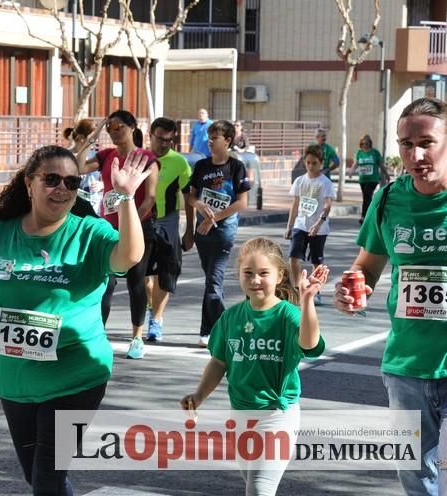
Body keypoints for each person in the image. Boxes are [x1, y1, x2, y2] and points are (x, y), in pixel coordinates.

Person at [0, 145, 151, 496]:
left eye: (72, 181)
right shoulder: (0, 234)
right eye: (51, 179)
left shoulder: (90, 233)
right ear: (29, 183)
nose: (62, 188)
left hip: (74, 378)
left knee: (46, 477)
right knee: (40, 476)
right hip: (14, 379)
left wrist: (125, 198)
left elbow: (129, 256)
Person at [334, 97, 447, 496]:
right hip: (406, 366)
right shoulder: (387, 200)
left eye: (426, 142)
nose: (415, 154)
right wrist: (352, 289)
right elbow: (366, 268)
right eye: (404, 143)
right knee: (415, 477)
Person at [181, 237, 328, 496]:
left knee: (260, 489)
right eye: (248, 273)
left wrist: (307, 302)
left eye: (263, 273)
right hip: (240, 415)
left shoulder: (288, 314)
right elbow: (218, 362)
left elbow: (310, 345)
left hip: (276, 416)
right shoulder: (231, 317)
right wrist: (198, 396)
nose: (255, 280)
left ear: (280, 275)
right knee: (254, 483)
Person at [77, 110, 159, 359]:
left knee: (136, 282)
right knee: (106, 284)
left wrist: (132, 223)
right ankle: (97, 333)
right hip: (108, 228)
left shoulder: (147, 158)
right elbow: (78, 167)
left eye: (118, 127)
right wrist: (92, 137)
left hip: (137, 228)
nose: (113, 132)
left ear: (133, 127)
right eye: (109, 127)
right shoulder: (105, 156)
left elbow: (151, 197)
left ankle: (136, 337)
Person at [188, 119, 251, 348]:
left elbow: (242, 202)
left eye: (215, 138)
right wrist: (199, 207)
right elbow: (191, 195)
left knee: (214, 282)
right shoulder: (202, 166)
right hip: (202, 231)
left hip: (223, 230)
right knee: (211, 283)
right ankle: (211, 329)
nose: (210, 141)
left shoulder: (236, 167)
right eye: (209, 137)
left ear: (227, 140)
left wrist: (215, 218)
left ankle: (221, 331)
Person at [142, 117, 192, 342]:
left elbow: (189, 197)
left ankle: (157, 320)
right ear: (150, 135)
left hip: (168, 220)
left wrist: (189, 230)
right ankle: (151, 306)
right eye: (160, 139)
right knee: (141, 274)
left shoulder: (180, 163)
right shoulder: (139, 158)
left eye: (169, 141)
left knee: (166, 272)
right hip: (141, 218)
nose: (164, 144)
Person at [284, 144, 335, 305]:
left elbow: (327, 205)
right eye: (308, 162)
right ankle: (300, 288)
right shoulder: (300, 181)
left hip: (318, 229)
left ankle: (315, 290)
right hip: (301, 224)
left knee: (316, 261)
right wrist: (289, 226)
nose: (311, 166)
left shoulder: (324, 182)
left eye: (314, 163)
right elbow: (295, 204)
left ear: (321, 163)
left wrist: (319, 223)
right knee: (293, 257)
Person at [349, 133, 389, 224]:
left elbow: (381, 165)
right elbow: (356, 163)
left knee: (367, 195)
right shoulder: (359, 152)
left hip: (373, 179)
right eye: (363, 144)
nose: (365, 145)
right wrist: (351, 171)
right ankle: (372, 214)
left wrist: (386, 174)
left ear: (370, 143)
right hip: (363, 179)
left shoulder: (375, 152)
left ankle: (364, 216)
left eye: (366, 143)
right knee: (366, 197)